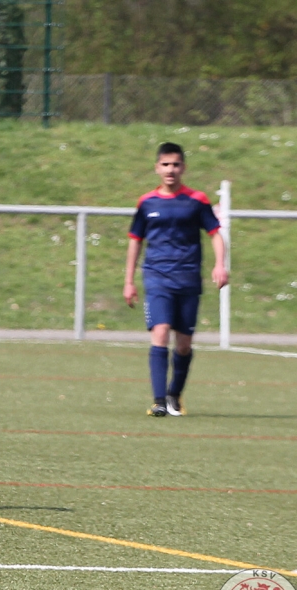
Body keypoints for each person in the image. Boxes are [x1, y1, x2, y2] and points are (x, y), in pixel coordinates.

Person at [124, 142, 228, 417]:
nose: (171, 169)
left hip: (188, 278)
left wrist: (220, 265)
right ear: (157, 168)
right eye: (166, 164)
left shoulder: (197, 200)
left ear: (183, 168)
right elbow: (135, 240)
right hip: (157, 277)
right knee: (160, 332)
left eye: (176, 164)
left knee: (183, 344)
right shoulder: (147, 202)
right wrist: (129, 281)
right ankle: (158, 401)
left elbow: (215, 234)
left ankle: (174, 396)